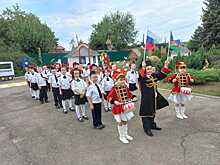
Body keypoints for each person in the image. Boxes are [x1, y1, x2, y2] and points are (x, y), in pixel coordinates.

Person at [138, 58, 171, 136]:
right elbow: (141, 77)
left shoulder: (154, 75)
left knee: (153, 111)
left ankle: (152, 125)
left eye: (150, 68)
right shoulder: (142, 77)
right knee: (146, 113)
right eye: (147, 69)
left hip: (154, 98)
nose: (149, 70)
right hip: (146, 99)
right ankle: (147, 128)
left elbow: (162, 74)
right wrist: (143, 67)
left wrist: (165, 65)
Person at [107, 69, 137, 144]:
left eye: (123, 79)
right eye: (120, 79)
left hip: (124, 107)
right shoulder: (114, 89)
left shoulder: (125, 87)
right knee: (119, 122)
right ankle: (121, 136)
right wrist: (114, 101)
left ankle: (126, 134)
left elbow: (129, 94)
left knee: (125, 121)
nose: (122, 81)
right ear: (117, 80)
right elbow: (109, 97)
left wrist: (133, 97)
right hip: (117, 108)